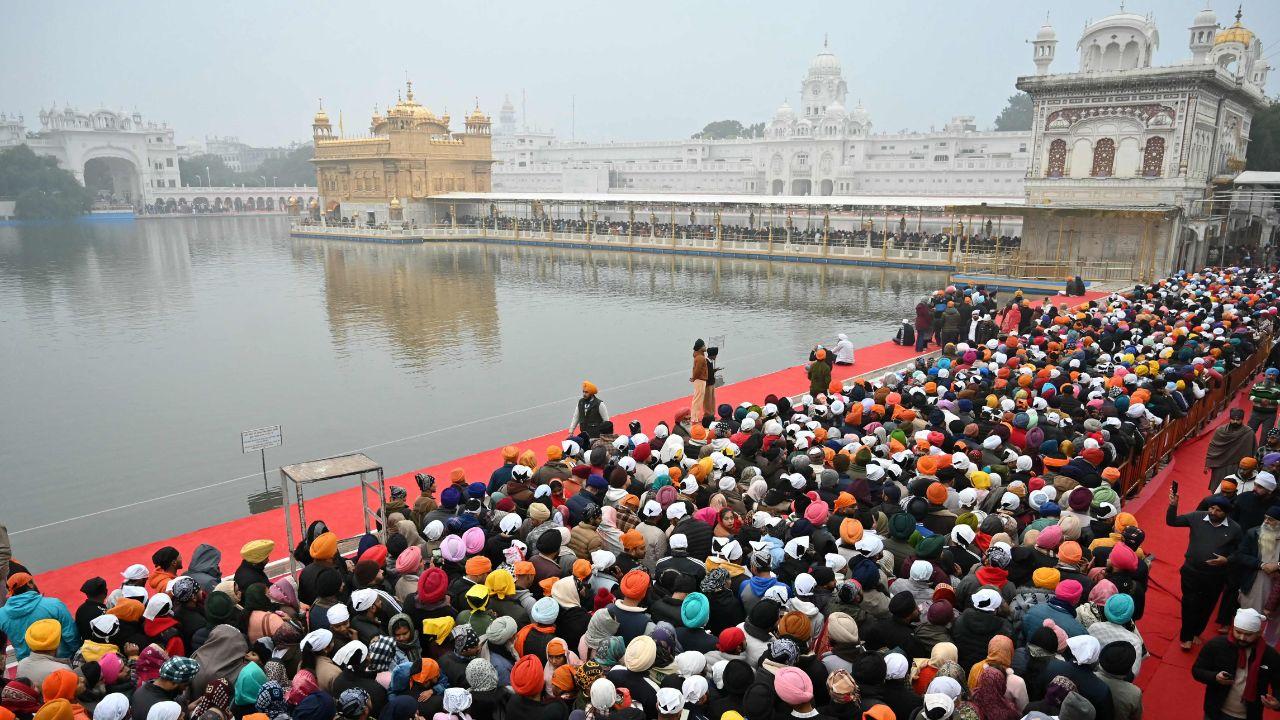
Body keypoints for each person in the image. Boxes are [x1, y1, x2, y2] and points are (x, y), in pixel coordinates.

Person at [1167, 489, 1243, 651]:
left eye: (1218, 510)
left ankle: (1196, 632)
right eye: (1211, 508)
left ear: (1226, 513)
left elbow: (1240, 552)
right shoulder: (1197, 517)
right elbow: (1172, 521)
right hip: (1191, 572)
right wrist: (1173, 505)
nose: (1213, 512)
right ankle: (1186, 637)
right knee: (1189, 603)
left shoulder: (1235, 529)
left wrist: (1226, 560)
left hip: (1216, 576)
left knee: (1207, 605)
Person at [1192, 608, 1280, 720]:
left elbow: (1278, 684)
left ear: (1259, 633)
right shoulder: (1216, 645)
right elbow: (1197, 671)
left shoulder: (1270, 656)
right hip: (1215, 712)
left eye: (1248, 634)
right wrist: (1215, 677)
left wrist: (1277, 702)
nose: (1242, 637)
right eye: (1238, 632)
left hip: (1249, 715)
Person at [1207, 409, 1258, 491]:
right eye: (1233, 419)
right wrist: (1208, 463)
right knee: (1217, 487)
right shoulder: (1220, 431)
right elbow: (1213, 447)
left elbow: (1254, 451)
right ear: (1230, 418)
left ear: (1242, 419)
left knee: (1234, 489)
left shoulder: (1249, 433)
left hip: (1238, 466)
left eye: (1238, 420)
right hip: (1220, 464)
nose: (1235, 421)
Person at [690, 340, 710, 424]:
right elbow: (697, 370)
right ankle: (695, 418)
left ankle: (695, 417)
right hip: (700, 380)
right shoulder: (700, 358)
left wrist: (694, 378)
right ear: (700, 347)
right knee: (698, 399)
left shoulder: (699, 356)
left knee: (697, 399)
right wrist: (694, 378)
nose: (705, 347)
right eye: (704, 345)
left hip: (699, 380)